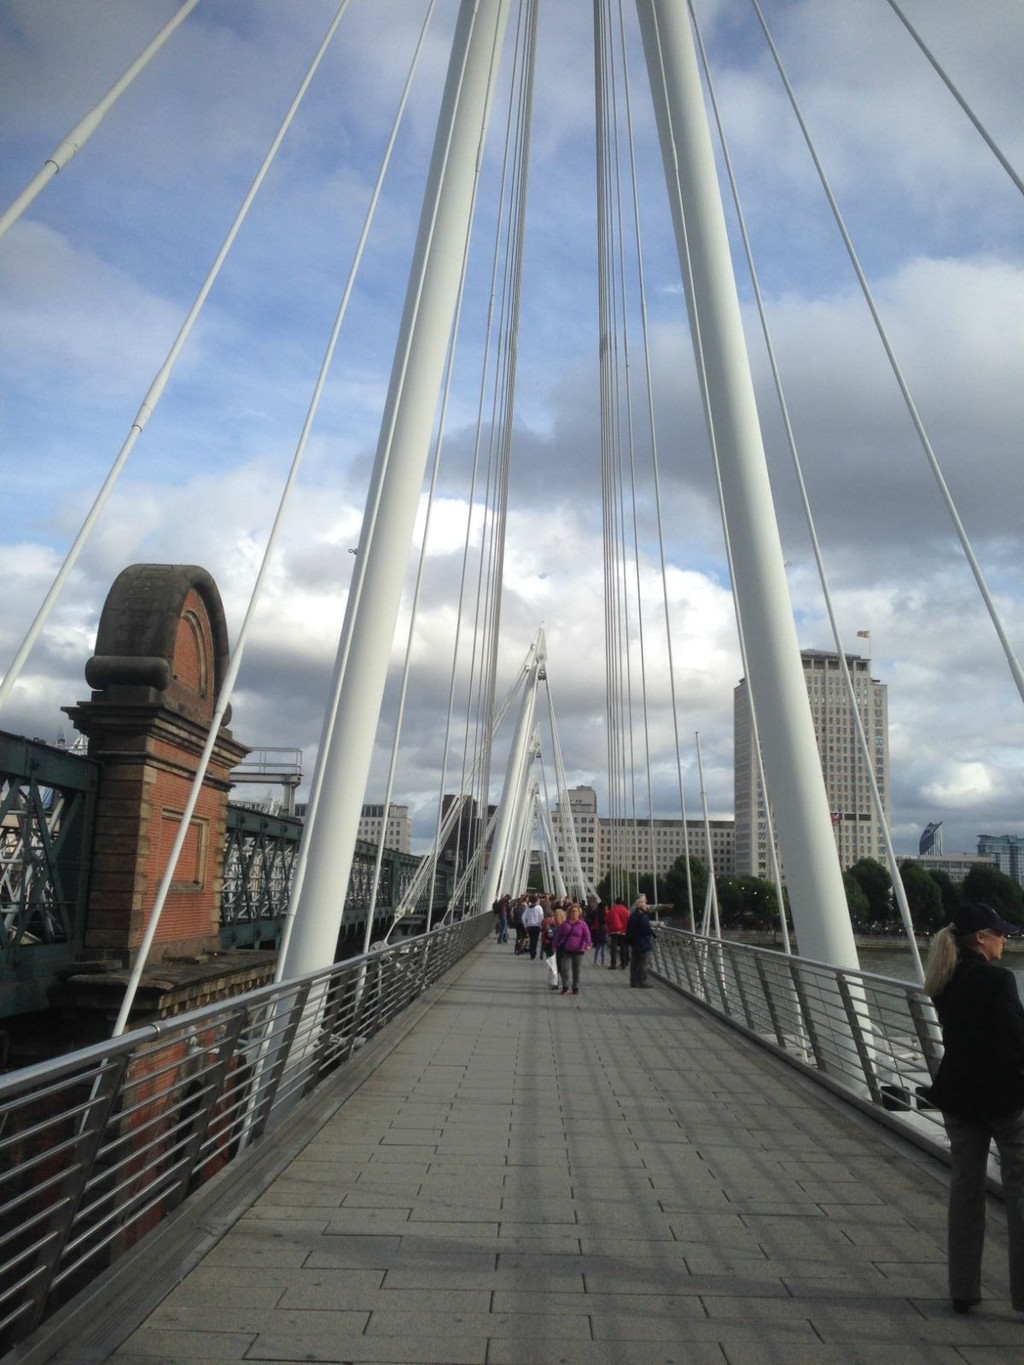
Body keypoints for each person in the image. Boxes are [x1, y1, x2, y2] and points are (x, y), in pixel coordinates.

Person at [922, 901, 1024, 1315]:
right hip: (1006, 1101)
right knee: (1019, 1195)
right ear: (981, 938)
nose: (1006, 938)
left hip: (959, 1097)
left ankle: (963, 1289)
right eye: (1000, 932)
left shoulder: (943, 980)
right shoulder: (999, 980)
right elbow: (1017, 1037)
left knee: (966, 1190)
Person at [553, 902, 591, 995]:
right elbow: (558, 936)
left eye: (576, 911)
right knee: (564, 969)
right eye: (572, 911)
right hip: (566, 950)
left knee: (576, 970)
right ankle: (565, 986)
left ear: (579, 913)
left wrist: (588, 944)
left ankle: (575, 987)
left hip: (578, 951)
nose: (574, 913)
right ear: (569, 913)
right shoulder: (564, 924)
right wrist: (554, 945)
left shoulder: (582, 924)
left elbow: (587, 935)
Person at [626, 895, 654, 988]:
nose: (647, 906)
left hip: (634, 943)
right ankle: (641, 981)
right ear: (641, 906)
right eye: (645, 904)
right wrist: (652, 932)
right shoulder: (642, 916)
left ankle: (633, 981)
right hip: (642, 943)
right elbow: (646, 929)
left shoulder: (633, 915)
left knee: (634, 963)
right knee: (643, 963)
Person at [605, 897, 629, 970]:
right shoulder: (626, 910)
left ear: (616, 902)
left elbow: (607, 920)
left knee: (613, 948)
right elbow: (629, 919)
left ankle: (613, 964)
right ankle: (623, 964)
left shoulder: (612, 910)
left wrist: (609, 926)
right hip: (623, 931)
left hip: (614, 931)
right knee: (623, 948)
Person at [522, 895, 544, 960]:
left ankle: (532, 953)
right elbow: (541, 917)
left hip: (529, 926)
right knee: (535, 940)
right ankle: (533, 953)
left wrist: (525, 925)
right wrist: (541, 925)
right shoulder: (539, 908)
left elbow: (523, 917)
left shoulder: (528, 908)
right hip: (537, 926)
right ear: (537, 901)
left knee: (531, 940)